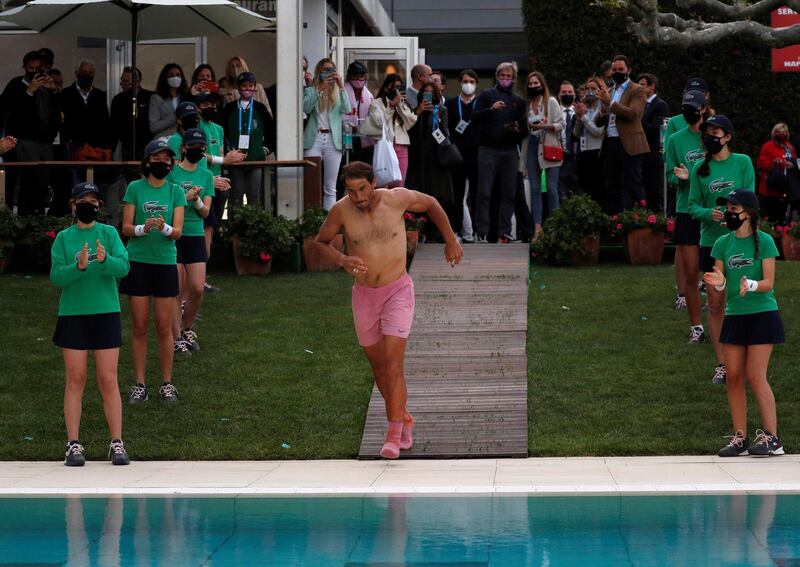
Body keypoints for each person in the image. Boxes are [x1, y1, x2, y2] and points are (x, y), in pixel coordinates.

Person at [311, 161, 463, 459]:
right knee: (379, 367)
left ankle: (394, 434)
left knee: (393, 363)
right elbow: (320, 243)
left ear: (373, 182)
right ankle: (404, 416)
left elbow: (431, 204)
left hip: (398, 291)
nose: (358, 197)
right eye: (352, 191)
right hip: (364, 295)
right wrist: (342, 260)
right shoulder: (341, 210)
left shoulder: (396, 199)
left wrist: (450, 239)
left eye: (363, 189)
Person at [50, 182, 131, 466]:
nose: (89, 205)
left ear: (99, 206)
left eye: (93, 201)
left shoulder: (108, 234)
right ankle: (73, 444)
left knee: (108, 379)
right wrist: (79, 266)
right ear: (73, 205)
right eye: (83, 200)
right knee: (75, 379)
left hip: (106, 312)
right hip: (73, 314)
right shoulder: (63, 238)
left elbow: (124, 267)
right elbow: (57, 277)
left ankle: (117, 443)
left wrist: (105, 259)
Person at [703, 190, 785, 457]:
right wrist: (720, 285)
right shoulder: (722, 244)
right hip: (735, 316)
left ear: (748, 212)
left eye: (733, 208)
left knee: (755, 375)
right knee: (733, 377)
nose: (728, 213)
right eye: (727, 208)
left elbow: (769, 283)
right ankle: (740, 438)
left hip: (763, 314)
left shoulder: (765, 241)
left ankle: (772, 438)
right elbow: (720, 286)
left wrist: (749, 284)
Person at [688, 114, 755, 385]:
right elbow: (692, 207)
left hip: (740, 242)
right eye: (707, 132)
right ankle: (723, 364)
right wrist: (710, 214)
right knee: (716, 304)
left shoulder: (743, 162)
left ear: (727, 136)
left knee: (742, 301)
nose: (710, 137)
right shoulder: (699, 169)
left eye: (716, 132)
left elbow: (751, 200)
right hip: (711, 246)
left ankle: (747, 359)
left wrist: (735, 216)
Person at [119, 139, 186, 404]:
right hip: (138, 262)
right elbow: (125, 227)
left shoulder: (175, 191)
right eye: (156, 158)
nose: (162, 163)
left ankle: (167, 383)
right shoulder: (135, 188)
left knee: (163, 325)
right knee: (139, 325)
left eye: (166, 159)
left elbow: (178, 232)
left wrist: (164, 227)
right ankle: (140, 384)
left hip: (165, 262)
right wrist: (142, 229)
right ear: (147, 162)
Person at [167, 129, 214, 354]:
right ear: (183, 148)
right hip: (175, 235)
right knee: (175, 289)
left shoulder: (206, 175)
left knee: (196, 288)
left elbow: (206, 212)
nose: (197, 150)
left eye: (201, 147)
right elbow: (166, 207)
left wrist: (194, 202)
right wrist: (183, 200)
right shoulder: (171, 173)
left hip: (195, 235)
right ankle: (176, 338)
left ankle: (186, 327)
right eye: (193, 146)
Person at [666, 89, 708, 342]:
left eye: (694, 107)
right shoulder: (675, 140)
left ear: (703, 108)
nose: (689, 112)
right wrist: (679, 178)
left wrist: (691, 173)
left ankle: (724, 317)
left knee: (716, 272)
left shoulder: (712, 136)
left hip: (711, 210)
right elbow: (670, 175)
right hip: (686, 209)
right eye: (685, 107)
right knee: (692, 272)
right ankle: (697, 327)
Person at [471, 61, 527, 243]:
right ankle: (482, 231)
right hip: (488, 149)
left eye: (508, 76)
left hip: (510, 151)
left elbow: (523, 130)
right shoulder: (487, 94)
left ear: (513, 79)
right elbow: (475, 116)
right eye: (502, 76)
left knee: (509, 192)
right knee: (484, 192)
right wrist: (491, 109)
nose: (505, 79)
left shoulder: (518, 102)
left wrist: (515, 130)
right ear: (497, 76)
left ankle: (504, 231)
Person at [0, 50, 60, 214]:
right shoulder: (16, 84)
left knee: (43, 182)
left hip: (46, 142)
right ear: (24, 67)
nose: (34, 72)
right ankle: (24, 217)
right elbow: (12, 112)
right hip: (24, 142)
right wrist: (29, 92)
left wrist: (53, 91)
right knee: (27, 181)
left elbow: (57, 113)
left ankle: (40, 216)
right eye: (30, 68)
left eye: (38, 68)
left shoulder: (46, 87)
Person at [196, 91, 242, 290]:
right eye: (205, 103)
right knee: (201, 229)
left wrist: (224, 168)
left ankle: (202, 277)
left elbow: (221, 154)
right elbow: (197, 154)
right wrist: (223, 161)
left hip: (216, 184)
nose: (210, 107)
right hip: (200, 183)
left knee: (210, 229)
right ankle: (198, 279)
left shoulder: (219, 129)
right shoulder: (196, 128)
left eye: (213, 103)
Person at [594, 55, 650, 214]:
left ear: (628, 70)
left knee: (634, 184)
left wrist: (610, 103)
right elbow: (599, 120)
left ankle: (640, 221)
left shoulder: (637, 89)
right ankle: (615, 222)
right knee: (612, 185)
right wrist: (604, 108)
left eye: (621, 69)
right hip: (610, 142)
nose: (617, 72)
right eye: (615, 70)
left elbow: (634, 114)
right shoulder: (610, 91)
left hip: (629, 143)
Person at [406, 81, 455, 238]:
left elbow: (445, 134)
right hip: (418, 159)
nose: (429, 95)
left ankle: (437, 232)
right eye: (425, 92)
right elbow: (410, 132)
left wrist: (437, 120)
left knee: (438, 194)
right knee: (419, 193)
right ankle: (420, 230)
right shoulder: (414, 111)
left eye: (431, 92)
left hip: (436, 159)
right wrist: (419, 112)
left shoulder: (441, 110)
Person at [303, 59, 352, 211]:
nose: (328, 73)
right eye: (324, 70)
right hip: (314, 139)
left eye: (331, 70)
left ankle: (329, 222)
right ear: (319, 72)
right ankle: (312, 220)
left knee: (330, 186)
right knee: (312, 183)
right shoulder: (311, 90)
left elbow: (347, 109)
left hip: (332, 140)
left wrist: (342, 86)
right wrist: (319, 89)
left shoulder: (338, 91)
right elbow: (305, 107)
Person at [222, 72, 274, 211]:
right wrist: (228, 151)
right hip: (235, 161)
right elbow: (222, 132)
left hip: (255, 159)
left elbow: (271, 131)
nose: (247, 89)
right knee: (236, 195)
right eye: (244, 86)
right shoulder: (229, 108)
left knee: (254, 195)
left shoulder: (260, 108)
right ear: (238, 88)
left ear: (255, 87)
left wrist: (265, 149)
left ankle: (254, 229)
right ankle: (235, 229)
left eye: (250, 86)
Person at [522, 71, 564, 241]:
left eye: (536, 83)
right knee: (535, 189)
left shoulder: (551, 101)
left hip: (549, 144)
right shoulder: (526, 105)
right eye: (530, 83)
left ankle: (555, 227)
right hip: (532, 145)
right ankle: (537, 228)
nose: (533, 86)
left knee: (552, 189)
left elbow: (561, 124)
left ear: (542, 84)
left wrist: (546, 126)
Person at [444, 69, 480, 242]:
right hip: (456, 157)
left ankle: (477, 232)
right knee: (457, 197)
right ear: (460, 82)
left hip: (476, 155)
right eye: (466, 81)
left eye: (472, 82)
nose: (468, 84)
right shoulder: (451, 104)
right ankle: (457, 231)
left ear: (476, 84)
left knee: (476, 195)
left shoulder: (481, 104)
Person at [367, 73, 417, 185]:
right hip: (385, 145)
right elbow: (379, 121)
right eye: (394, 87)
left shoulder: (402, 103)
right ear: (386, 88)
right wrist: (391, 106)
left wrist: (400, 105)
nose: (396, 90)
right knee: (384, 182)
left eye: (399, 87)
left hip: (401, 145)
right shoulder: (377, 103)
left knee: (400, 183)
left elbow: (410, 122)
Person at [638, 73, 669, 212]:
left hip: (654, 155)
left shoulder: (659, 105)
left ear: (652, 86)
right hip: (642, 154)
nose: (639, 88)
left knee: (655, 190)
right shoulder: (641, 104)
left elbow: (658, 128)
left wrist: (640, 120)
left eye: (642, 85)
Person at [110, 67, 152, 166]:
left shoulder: (150, 97)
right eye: (121, 80)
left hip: (147, 146)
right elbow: (113, 127)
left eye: (126, 81)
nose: (122, 83)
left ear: (137, 82)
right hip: (126, 148)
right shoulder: (118, 100)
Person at [574, 76, 606, 204]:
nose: (589, 91)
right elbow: (576, 133)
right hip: (584, 152)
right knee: (584, 190)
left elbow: (598, 131)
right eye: (587, 88)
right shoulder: (585, 107)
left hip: (597, 153)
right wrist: (578, 117)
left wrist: (583, 117)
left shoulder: (602, 109)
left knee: (598, 189)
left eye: (593, 88)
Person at [755, 123, 795, 224]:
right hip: (768, 190)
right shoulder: (767, 146)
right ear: (774, 133)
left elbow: (795, 163)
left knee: (781, 220)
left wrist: (791, 164)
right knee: (767, 219)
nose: (782, 134)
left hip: (784, 190)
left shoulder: (789, 148)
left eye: (785, 132)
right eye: (779, 132)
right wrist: (774, 162)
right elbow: (760, 164)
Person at [343, 60, 375, 165]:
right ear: (349, 77)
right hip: (345, 135)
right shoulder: (341, 92)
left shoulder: (369, 96)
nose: (358, 79)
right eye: (355, 76)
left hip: (364, 138)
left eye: (361, 76)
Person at [665, 77, 711, 150]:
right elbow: (667, 151)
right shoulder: (674, 122)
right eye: (689, 93)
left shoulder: (714, 121)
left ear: (707, 95)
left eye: (699, 94)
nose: (693, 96)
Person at [149, 63, 190, 139]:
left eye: (178, 75)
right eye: (171, 75)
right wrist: (174, 117)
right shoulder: (156, 99)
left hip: (184, 141)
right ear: (165, 78)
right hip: (164, 142)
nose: (175, 77)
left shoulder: (186, 97)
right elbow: (153, 127)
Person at [557, 81, 579, 200]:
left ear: (574, 95)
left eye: (570, 92)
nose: (567, 94)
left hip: (577, 158)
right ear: (559, 95)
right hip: (560, 157)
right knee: (561, 193)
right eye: (564, 92)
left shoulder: (580, 111)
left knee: (577, 192)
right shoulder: (554, 113)